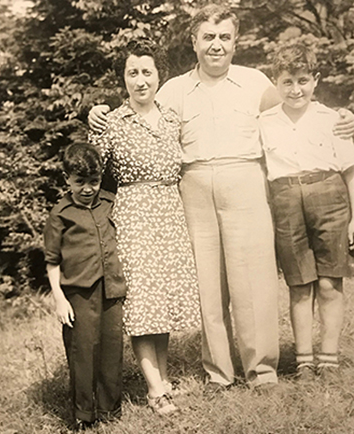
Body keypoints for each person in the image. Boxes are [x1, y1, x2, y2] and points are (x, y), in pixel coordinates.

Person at [88, 5, 354, 392]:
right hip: (193, 184)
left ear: (235, 41)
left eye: (225, 37)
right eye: (208, 37)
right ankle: (218, 372)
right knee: (208, 286)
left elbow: (299, 108)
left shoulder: (257, 82)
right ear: (194, 42)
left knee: (254, 282)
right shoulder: (173, 89)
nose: (217, 45)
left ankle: (261, 370)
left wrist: (344, 115)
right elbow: (139, 113)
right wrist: (97, 111)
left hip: (245, 179)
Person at [89, 39, 201, 414]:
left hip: (170, 213)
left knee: (163, 304)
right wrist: (91, 116)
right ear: (124, 79)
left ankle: (163, 380)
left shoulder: (172, 120)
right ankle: (155, 390)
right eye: (132, 73)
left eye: (146, 72)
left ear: (159, 76)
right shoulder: (113, 123)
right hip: (134, 216)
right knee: (142, 304)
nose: (140, 81)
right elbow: (87, 168)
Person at [259, 43, 354, 382]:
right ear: (276, 83)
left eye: (302, 80)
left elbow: (349, 170)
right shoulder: (264, 122)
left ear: (315, 80)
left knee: (329, 282)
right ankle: (304, 360)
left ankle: (328, 358)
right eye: (287, 82)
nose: (295, 89)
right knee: (299, 284)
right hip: (285, 199)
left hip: (329, 196)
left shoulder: (334, 119)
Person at [44, 143, 127, 429]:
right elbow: (52, 261)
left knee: (111, 351)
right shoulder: (61, 213)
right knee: (83, 354)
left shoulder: (110, 202)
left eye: (93, 181)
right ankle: (84, 414)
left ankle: (110, 411)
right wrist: (59, 299)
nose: (88, 188)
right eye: (80, 182)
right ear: (67, 178)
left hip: (112, 290)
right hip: (78, 294)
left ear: (101, 177)